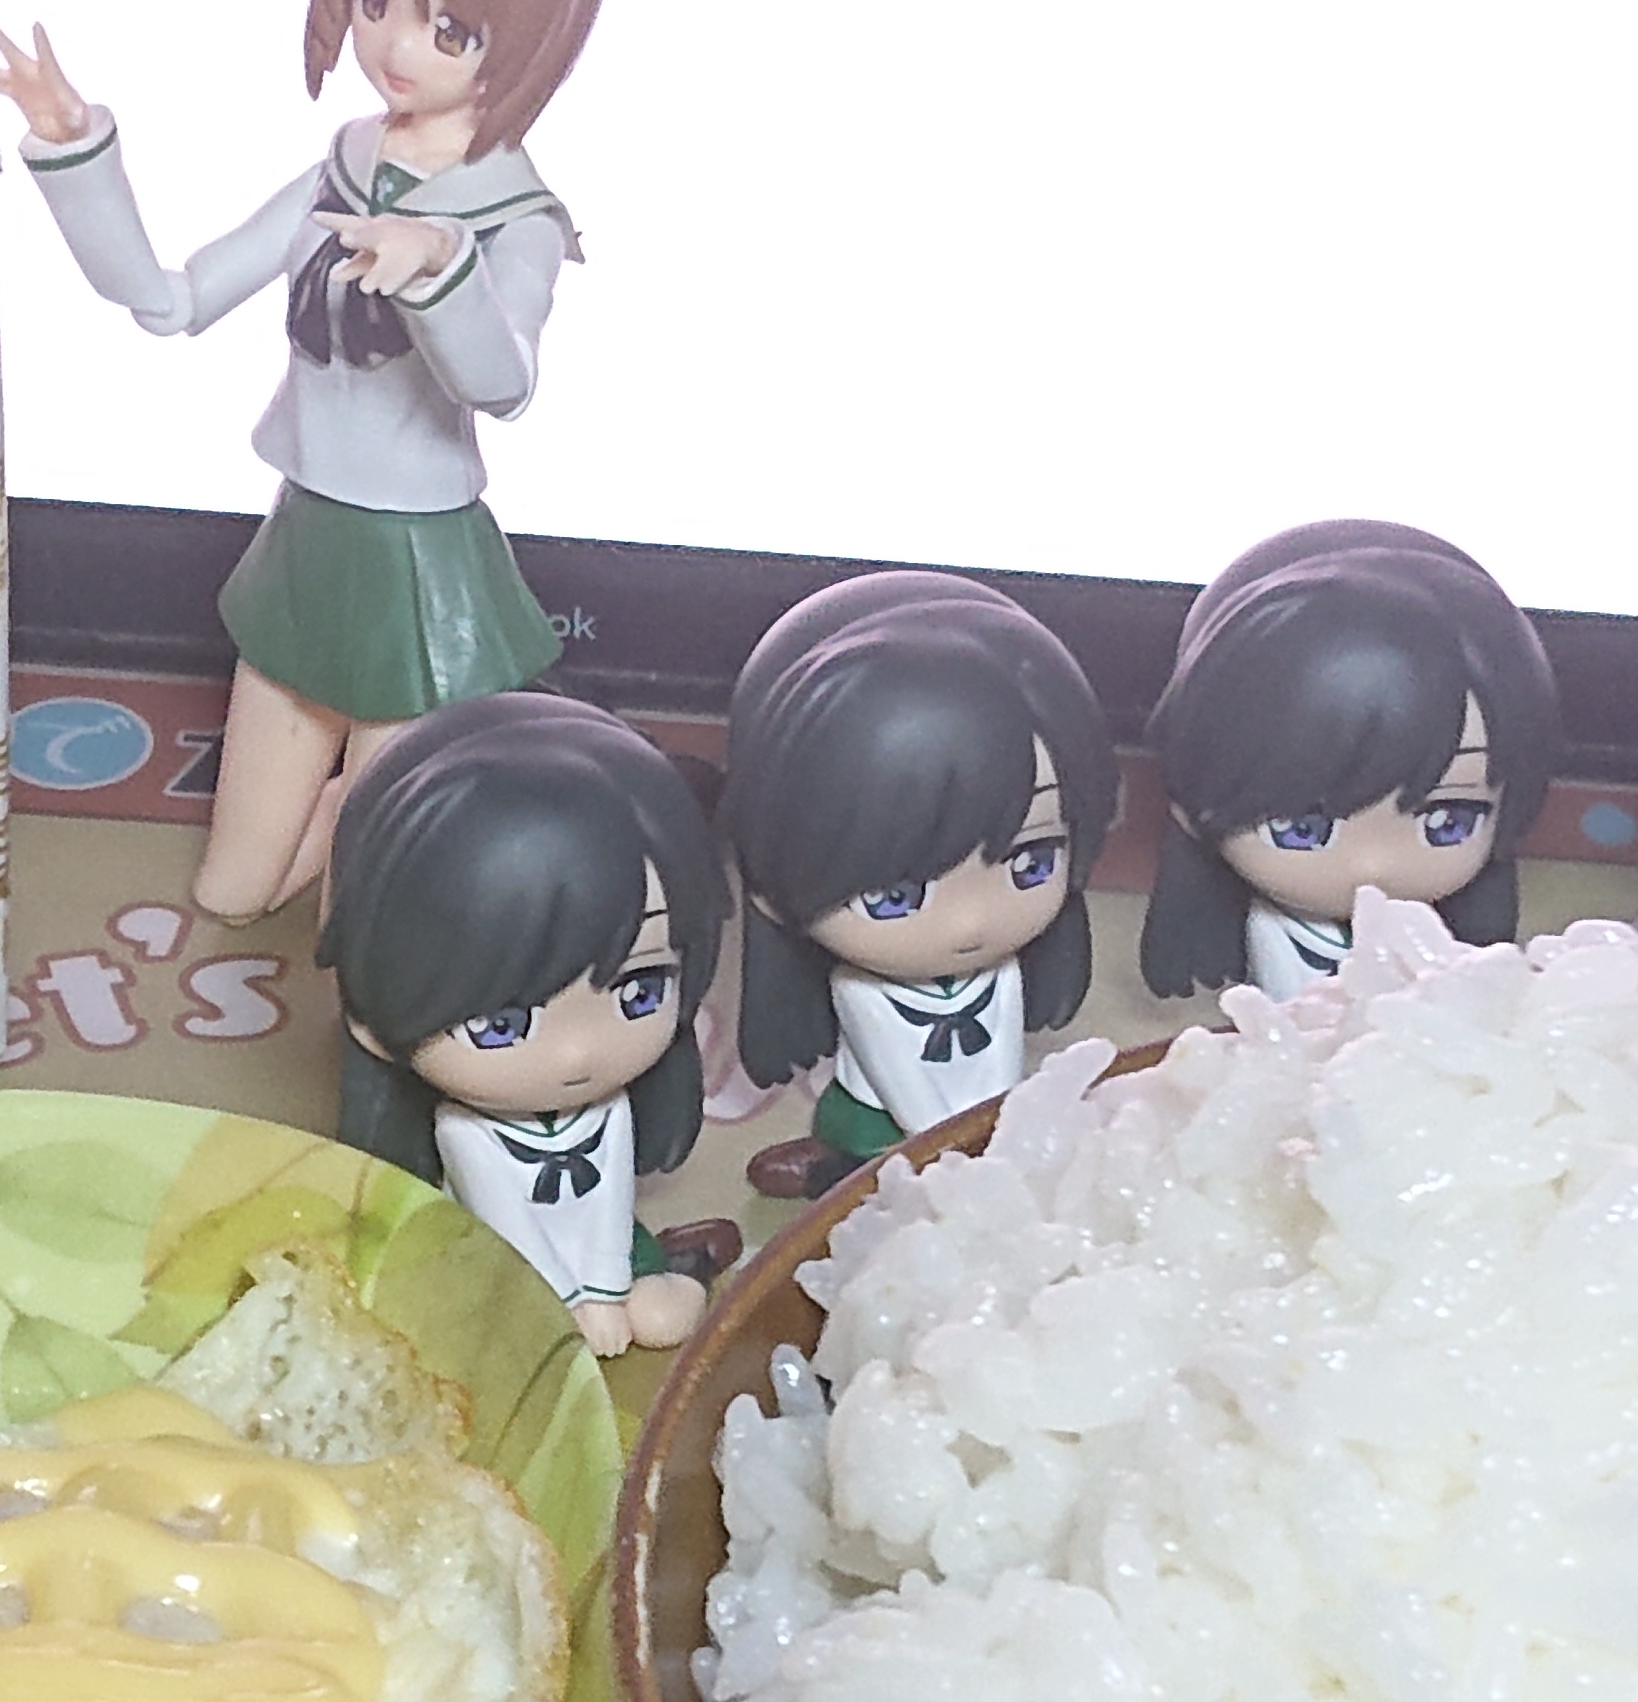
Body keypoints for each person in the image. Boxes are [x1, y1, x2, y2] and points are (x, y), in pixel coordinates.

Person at [0, 0, 612, 920]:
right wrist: (74, 149)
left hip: (421, 577)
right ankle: (390, 803)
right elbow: (172, 299)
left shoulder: (516, 219)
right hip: (305, 543)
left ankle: (428, 801)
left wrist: (436, 266)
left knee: (358, 921)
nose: (394, 46)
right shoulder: (342, 165)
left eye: (450, 28)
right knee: (233, 893)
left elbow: (504, 384)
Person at [316, 692, 725, 1358]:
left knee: (655, 1317)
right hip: (498, 1260)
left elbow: (609, 1205)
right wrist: (563, 1304)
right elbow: (507, 1228)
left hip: (601, 1252)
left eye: (638, 990)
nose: (575, 1053)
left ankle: (678, 1273)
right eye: (500, 1023)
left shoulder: (612, 1107)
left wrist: (601, 1293)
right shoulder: (464, 1131)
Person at [726, 570, 1117, 1196]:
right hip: (885, 1121)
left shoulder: (1003, 972)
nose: (970, 923)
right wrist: (955, 1151)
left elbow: (1001, 1063)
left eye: (1029, 864)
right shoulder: (862, 991)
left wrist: (998, 1131)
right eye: (894, 896)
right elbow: (902, 1083)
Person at [1138, 518, 1561, 1004]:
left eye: (1448, 821)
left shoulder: (1441, 944)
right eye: (1301, 829)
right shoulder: (1272, 927)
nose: (1372, 867)